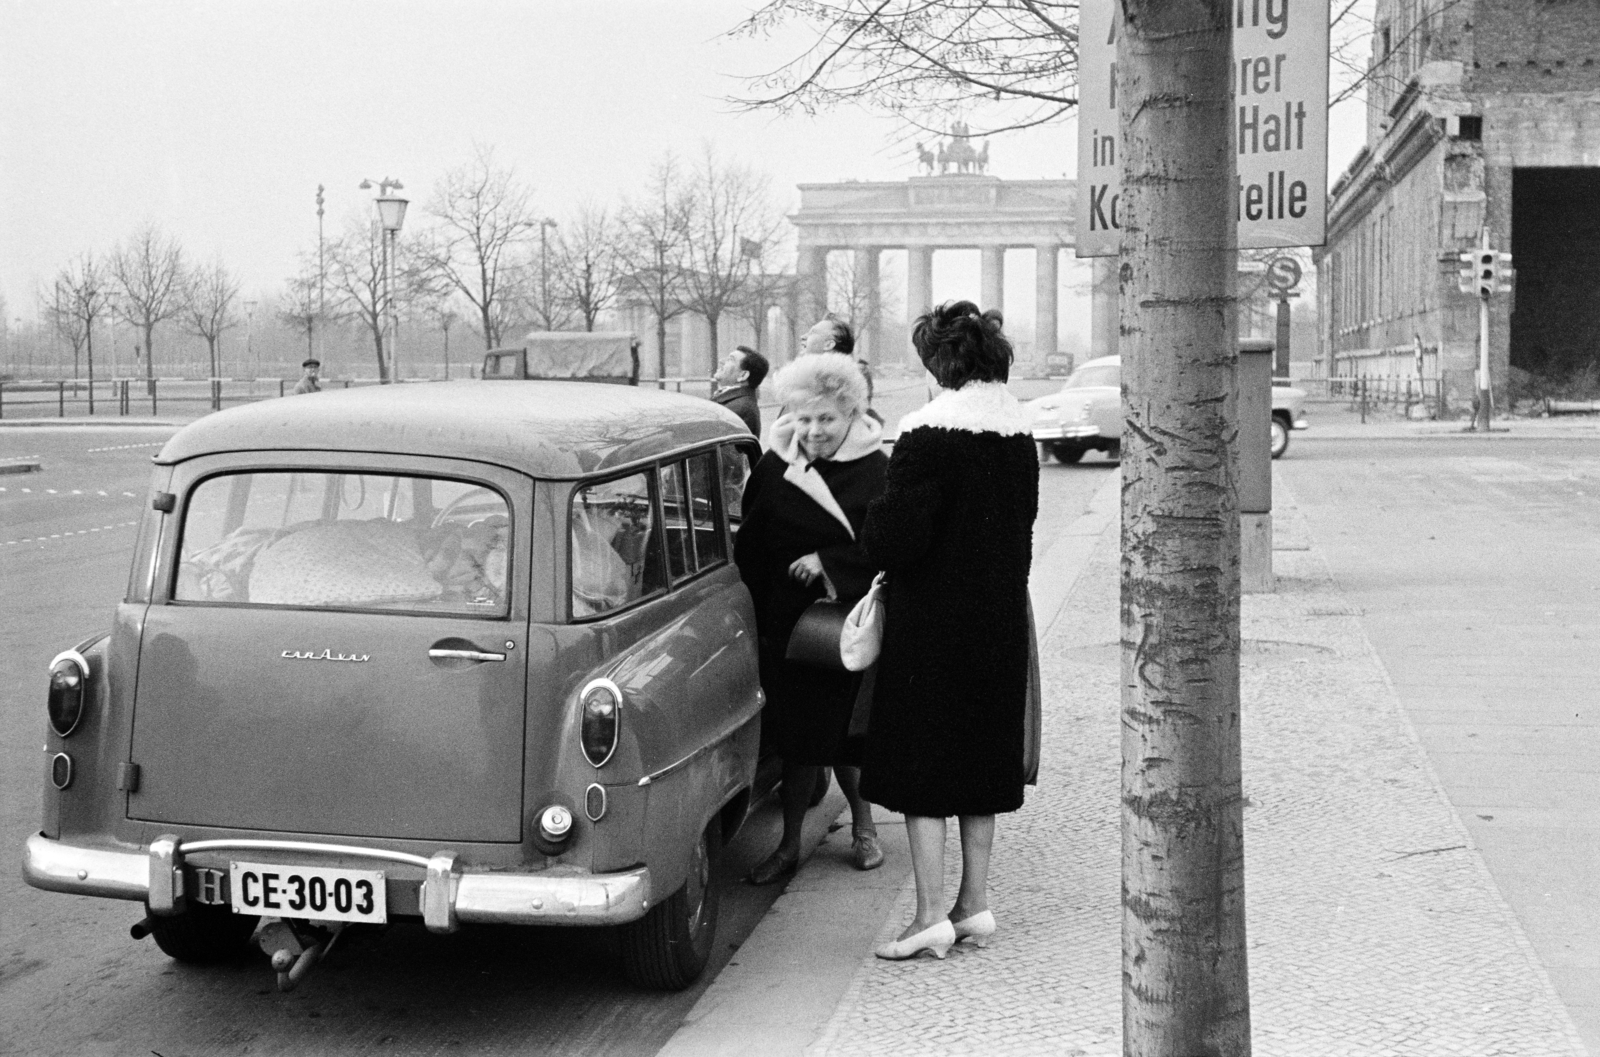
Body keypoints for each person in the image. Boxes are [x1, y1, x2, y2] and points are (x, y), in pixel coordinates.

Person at [859, 301, 1040, 960]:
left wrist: (874, 513)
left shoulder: (926, 435)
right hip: (999, 619)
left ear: (939, 364)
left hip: (930, 627)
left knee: (924, 767)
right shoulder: (1019, 436)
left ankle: (929, 915)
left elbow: (894, 539)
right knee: (980, 759)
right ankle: (974, 903)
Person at [733, 353, 888, 884]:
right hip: (787, 622)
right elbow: (751, 545)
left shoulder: (876, 469)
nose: (814, 431)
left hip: (848, 621)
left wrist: (830, 562)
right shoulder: (774, 467)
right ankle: (789, 844)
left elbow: (890, 546)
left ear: (852, 415)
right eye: (803, 418)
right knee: (797, 739)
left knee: (848, 734)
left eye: (827, 418)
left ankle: (864, 828)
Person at [711, 345, 768, 439]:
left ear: (743, 375)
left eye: (730, 360)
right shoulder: (739, 404)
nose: (721, 361)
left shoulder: (740, 408)